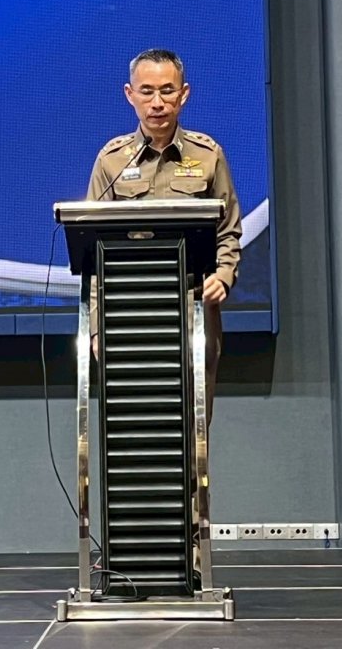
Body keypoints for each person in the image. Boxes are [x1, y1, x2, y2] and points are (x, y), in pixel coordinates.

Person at [86, 48, 242, 423]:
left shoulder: (208, 156)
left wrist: (223, 276)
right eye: (147, 91)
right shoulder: (111, 160)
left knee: (190, 430)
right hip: (127, 314)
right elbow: (91, 253)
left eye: (167, 91)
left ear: (183, 94)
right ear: (130, 95)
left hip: (192, 311)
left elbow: (228, 232)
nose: (157, 103)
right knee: (132, 429)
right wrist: (96, 327)